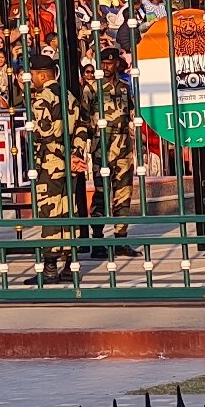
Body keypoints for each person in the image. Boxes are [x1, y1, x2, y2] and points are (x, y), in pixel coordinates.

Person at [26, 52, 90, 284]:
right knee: (68, 210)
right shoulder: (69, 95)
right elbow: (82, 127)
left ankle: (50, 267)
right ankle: (70, 265)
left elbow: (44, 134)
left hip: (50, 163)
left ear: (43, 75)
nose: (31, 79)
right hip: (69, 163)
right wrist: (76, 154)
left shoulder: (42, 98)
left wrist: (57, 155)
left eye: (33, 74)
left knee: (50, 212)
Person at [85, 46, 139, 257]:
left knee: (124, 193)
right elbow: (84, 117)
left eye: (110, 63)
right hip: (102, 144)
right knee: (101, 193)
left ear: (117, 63)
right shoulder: (92, 88)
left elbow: (132, 112)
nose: (106, 66)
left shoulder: (125, 87)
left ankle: (120, 239)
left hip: (123, 143)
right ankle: (98, 241)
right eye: (103, 63)